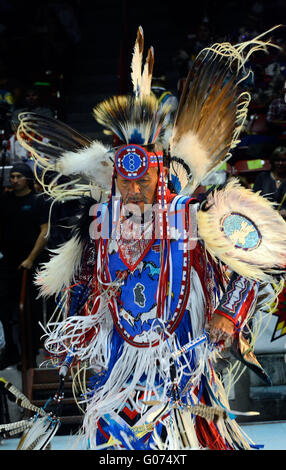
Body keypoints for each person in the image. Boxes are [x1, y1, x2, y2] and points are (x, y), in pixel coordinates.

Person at [16, 27, 286, 450]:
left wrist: (227, 317)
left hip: (183, 355)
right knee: (121, 442)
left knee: (185, 439)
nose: (133, 190)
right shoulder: (99, 224)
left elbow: (249, 271)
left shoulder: (197, 217)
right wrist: (75, 334)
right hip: (121, 357)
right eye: (125, 181)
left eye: (142, 181)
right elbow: (85, 282)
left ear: (160, 174)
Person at [0, 163, 50, 369]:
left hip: (32, 263)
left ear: (27, 179)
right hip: (9, 262)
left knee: (30, 310)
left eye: (18, 176)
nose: (14, 180)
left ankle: (29, 353)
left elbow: (44, 232)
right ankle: (12, 351)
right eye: (11, 176)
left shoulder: (38, 201)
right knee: (5, 308)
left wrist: (30, 258)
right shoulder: (5, 200)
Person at [253, 146, 286, 218]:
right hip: (264, 218)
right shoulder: (262, 177)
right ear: (273, 161)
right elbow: (253, 200)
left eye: (284, 160)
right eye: (277, 160)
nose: (280, 163)